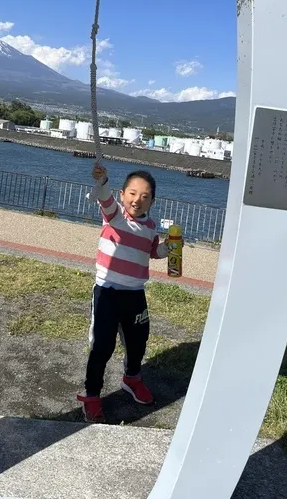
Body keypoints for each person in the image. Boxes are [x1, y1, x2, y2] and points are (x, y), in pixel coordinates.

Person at [77, 163, 183, 422]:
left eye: (145, 196)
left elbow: (153, 252)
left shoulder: (150, 227)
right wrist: (102, 181)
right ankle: (92, 394)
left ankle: (131, 379)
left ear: (152, 202)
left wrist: (169, 247)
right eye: (133, 193)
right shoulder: (114, 216)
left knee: (138, 342)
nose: (138, 200)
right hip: (107, 292)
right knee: (102, 345)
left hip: (135, 293)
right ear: (123, 195)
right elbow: (104, 198)